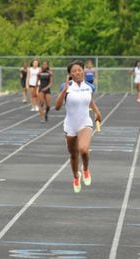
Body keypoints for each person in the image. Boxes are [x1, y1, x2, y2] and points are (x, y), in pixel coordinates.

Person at [55, 60, 102, 193]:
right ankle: (76, 176)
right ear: (70, 74)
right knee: (73, 154)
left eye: (79, 70)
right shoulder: (66, 87)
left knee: (84, 150)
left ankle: (85, 169)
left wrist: (97, 112)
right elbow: (57, 107)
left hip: (85, 123)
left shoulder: (89, 87)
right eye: (74, 71)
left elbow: (90, 101)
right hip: (70, 125)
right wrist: (64, 91)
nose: (77, 72)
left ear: (83, 71)